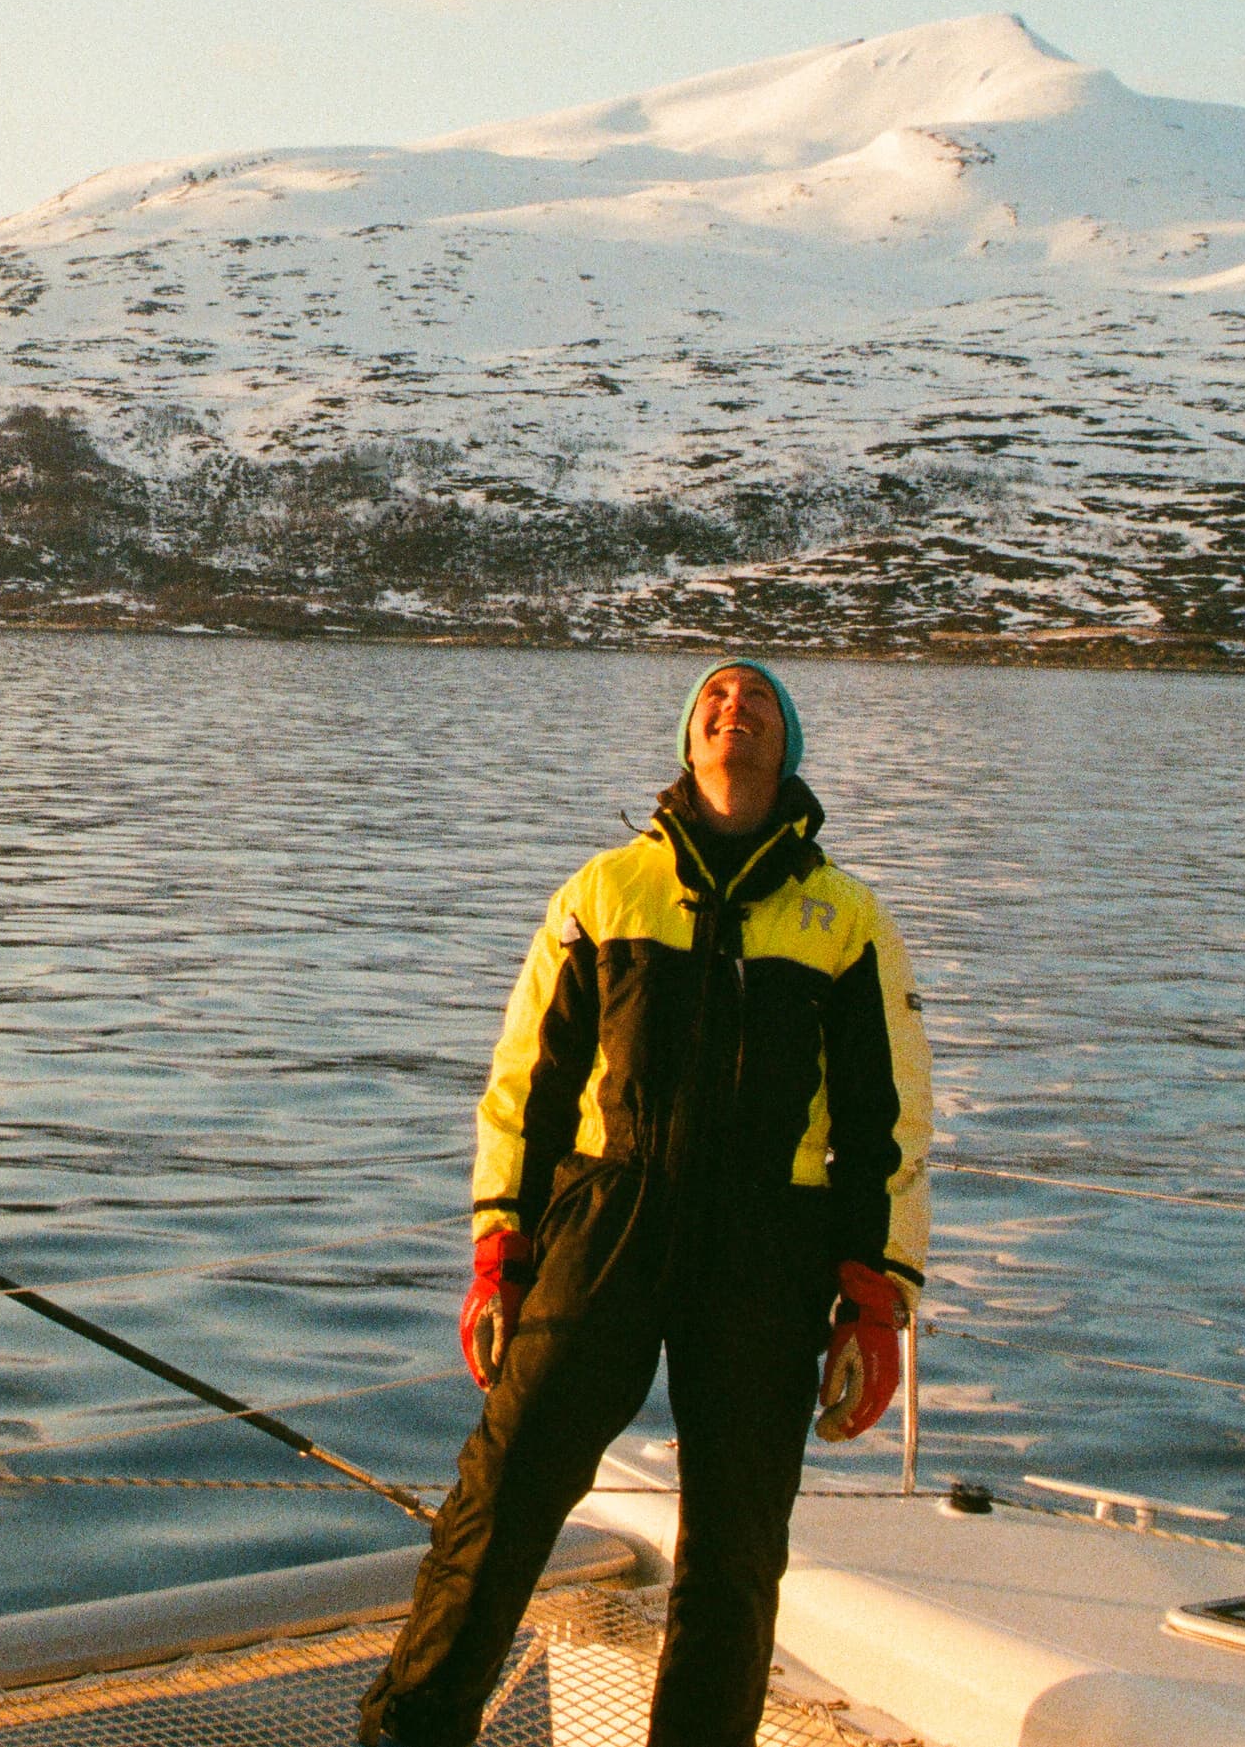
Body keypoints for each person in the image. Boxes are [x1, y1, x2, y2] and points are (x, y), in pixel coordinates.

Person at [361, 659, 932, 1747]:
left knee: (734, 1550)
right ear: (687, 737)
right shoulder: (605, 891)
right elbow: (526, 1084)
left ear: (787, 745)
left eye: (758, 699)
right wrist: (501, 1249)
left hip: (768, 1249)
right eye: (715, 696)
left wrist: (874, 1294)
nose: (735, 707)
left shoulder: (846, 919)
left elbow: (887, 1119)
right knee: (504, 1492)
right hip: (605, 1223)